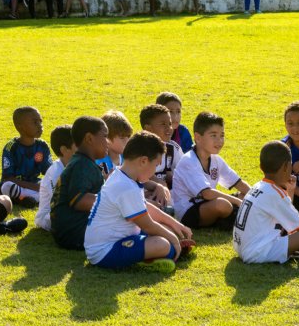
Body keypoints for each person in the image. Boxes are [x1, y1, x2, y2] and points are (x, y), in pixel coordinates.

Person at [85, 131, 196, 272]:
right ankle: (146, 261)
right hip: (105, 252)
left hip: (116, 240)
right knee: (163, 244)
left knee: (167, 231)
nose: (154, 171)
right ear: (143, 161)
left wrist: (174, 224)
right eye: (156, 165)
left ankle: (154, 253)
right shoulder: (125, 187)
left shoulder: (123, 175)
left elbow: (145, 207)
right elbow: (148, 225)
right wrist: (174, 240)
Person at [233, 141, 299, 264]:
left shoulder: (259, 186)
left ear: (261, 167)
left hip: (242, 248)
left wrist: (290, 190)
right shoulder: (274, 193)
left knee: (285, 228)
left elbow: (285, 212)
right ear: (287, 167)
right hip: (258, 252)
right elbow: (297, 226)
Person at [172, 112, 251, 229]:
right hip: (188, 212)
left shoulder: (216, 159)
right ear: (198, 138)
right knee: (223, 205)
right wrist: (238, 202)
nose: (219, 141)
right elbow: (207, 193)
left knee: (247, 197)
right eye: (213, 135)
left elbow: (239, 183)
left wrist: (255, 198)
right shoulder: (188, 161)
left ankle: (232, 218)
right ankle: (230, 220)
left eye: (222, 135)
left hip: (207, 204)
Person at [50, 116, 109, 250]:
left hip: (71, 231)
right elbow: (79, 200)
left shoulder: (83, 162)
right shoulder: (82, 164)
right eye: (105, 136)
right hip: (75, 232)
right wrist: (115, 201)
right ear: (89, 138)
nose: (108, 142)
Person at [0, 106, 53, 208]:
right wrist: (36, 187)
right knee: (7, 187)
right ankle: (35, 198)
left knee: (54, 185)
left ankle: (25, 199)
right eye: (35, 122)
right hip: (17, 185)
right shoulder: (11, 147)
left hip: (34, 184)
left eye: (40, 121)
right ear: (20, 127)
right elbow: (7, 178)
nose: (40, 126)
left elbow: (49, 172)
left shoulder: (42, 146)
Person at [34, 125, 76, 231]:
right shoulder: (55, 172)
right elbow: (60, 203)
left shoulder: (74, 166)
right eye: (78, 145)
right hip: (48, 218)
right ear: (64, 150)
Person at [140, 104, 183, 189]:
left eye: (170, 124)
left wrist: (172, 178)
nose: (169, 128)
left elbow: (184, 173)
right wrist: (158, 183)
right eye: (163, 124)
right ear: (148, 129)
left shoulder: (173, 148)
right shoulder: (139, 149)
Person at [95, 110, 133, 177]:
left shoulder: (129, 158)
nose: (128, 141)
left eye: (128, 136)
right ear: (107, 138)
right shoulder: (99, 162)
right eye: (122, 138)